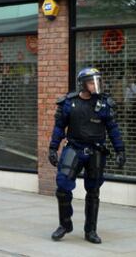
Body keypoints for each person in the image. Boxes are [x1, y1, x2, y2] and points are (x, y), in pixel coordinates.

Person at [48, 67, 126, 244]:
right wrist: (53, 148)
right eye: (92, 82)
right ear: (82, 84)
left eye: (98, 81)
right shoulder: (68, 103)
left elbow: (113, 129)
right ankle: (64, 224)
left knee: (93, 192)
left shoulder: (104, 103)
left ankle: (90, 230)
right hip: (74, 148)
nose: (96, 85)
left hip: (96, 151)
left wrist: (120, 150)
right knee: (62, 188)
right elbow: (59, 127)